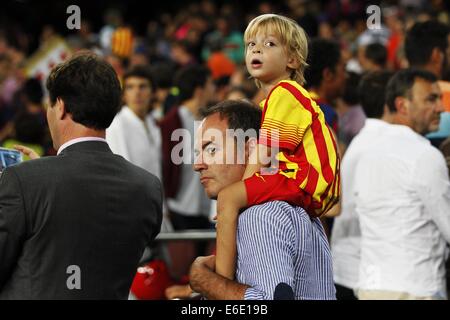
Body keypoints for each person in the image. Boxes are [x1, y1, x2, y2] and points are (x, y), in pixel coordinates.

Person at [0, 53, 163, 299]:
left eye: (50, 105)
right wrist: (39, 179)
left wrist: (28, 184)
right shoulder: (148, 188)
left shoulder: (24, 182)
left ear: (61, 106)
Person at [214, 14, 340, 280]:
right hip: (306, 186)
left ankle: (220, 282)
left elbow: (264, 153)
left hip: (303, 180)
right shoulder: (278, 98)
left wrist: (240, 196)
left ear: (292, 60)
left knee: (227, 198)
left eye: (270, 44)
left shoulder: (286, 93)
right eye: (251, 45)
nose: (257, 49)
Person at [189, 100, 336, 300]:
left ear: (250, 150)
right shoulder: (294, 209)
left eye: (211, 149)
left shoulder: (260, 215)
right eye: (198, 153)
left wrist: (204, 279)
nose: (197, 164)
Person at [355, 69, 450, 300]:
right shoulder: (424, 155)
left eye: (439, 98)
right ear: (402, 105)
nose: (440, 107)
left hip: (372, 287)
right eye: (431, 99)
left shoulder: (367, 152)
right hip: (414, 289)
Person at [331, 71, 393, 300]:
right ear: (394, 102)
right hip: (361, 271)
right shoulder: (380, 146)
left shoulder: (366, 140)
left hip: (354, 268)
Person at [106, 65, 162, 180]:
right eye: (130, 87)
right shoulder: (117, 125)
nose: (137, 93)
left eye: (142, 87)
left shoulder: (154, 123)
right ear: (124, 95)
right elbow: (121, 174)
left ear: (152, 93)